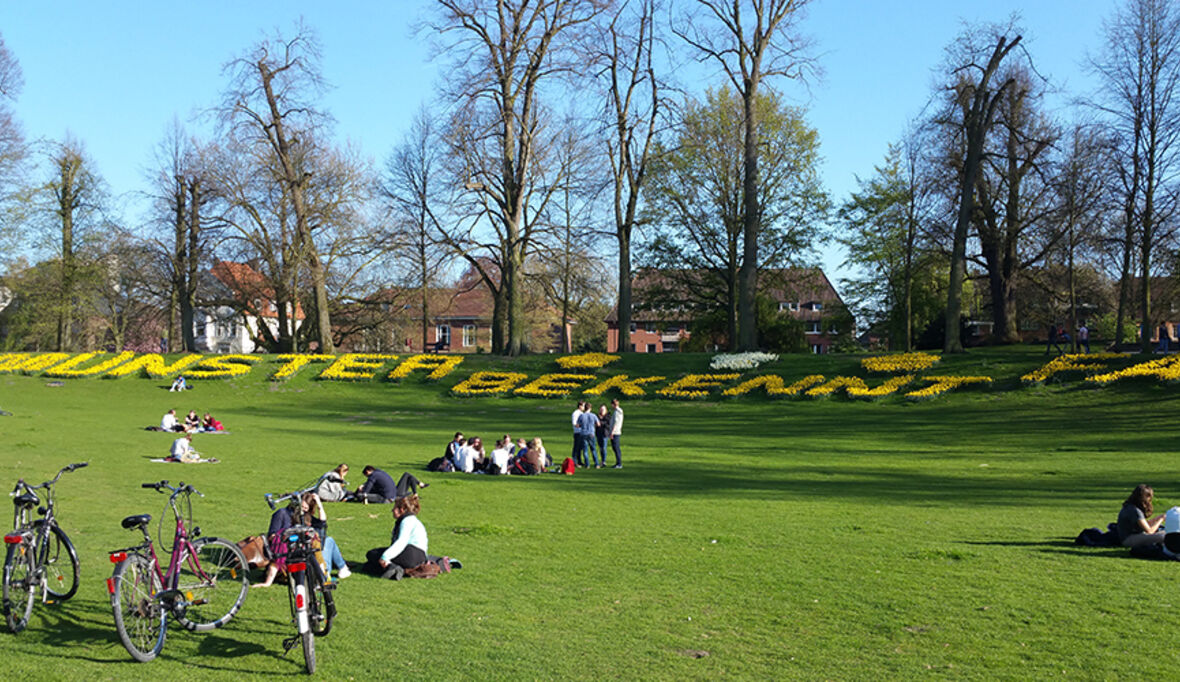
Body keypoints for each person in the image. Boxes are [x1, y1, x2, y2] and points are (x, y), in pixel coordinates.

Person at [369, 494, 429, 572]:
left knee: (372, 554)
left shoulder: (406, 521)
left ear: (402, 509)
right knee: (370, 565)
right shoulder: (412, 520)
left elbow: (401, 542)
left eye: (394, 508)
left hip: (411, 554)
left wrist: (385, 557)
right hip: (420, 556)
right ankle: (396, 568)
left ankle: (393, 568)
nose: (392, 510)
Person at [1118, 484, 1167, 548]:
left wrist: (1157, 518)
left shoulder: (1130, 506)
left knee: (1167, 532)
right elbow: (1149, 531)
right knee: (1164, 536)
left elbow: (1144, 524)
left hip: (1135, 535)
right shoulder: (1134, 510)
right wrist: (1161, 519)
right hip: (1129, 539)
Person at [577, 403, 600, 468]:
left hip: (583, 433)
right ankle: (597, 464)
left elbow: (578, 425)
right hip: (591, 433)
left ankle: (587, 464)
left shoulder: (581, 416)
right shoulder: (593, 415)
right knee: (593, 449)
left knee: (585, 450)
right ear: (590, 408)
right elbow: (598, 424)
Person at [608, 398, 624, 469]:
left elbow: (615, 423)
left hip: (615, 432)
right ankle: (618, 462)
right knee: (615, 448)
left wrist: (612, 432)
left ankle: (619, 463)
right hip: (616, 431)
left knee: (616, 448)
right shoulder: (618, 411)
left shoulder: (617, 412)